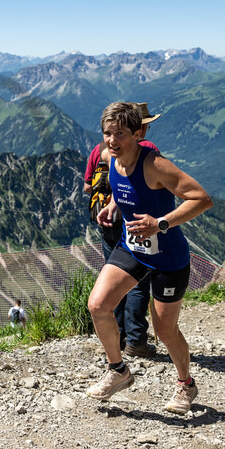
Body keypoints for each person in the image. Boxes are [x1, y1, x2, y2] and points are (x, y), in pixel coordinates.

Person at [86, 102, 212, 414]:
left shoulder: (155, 164)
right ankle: (118, 370)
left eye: (120, 134)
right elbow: (125, 184)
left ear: (139, 133)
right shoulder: (111, 158)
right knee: (98, 305)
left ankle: (186, 385)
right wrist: (114, 204)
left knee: (165, 330)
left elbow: (202, 199)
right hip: (133, 247)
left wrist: (161, 223)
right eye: (107, 134)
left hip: (168, 256)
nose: (112, 141)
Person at [84, 102, 160, 358]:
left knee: (112, 277)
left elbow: (87, 187)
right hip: (136, 221)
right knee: (138, 282)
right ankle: (137, 341)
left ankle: (115, 336)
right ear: (140, 130)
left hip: (106, 222)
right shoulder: (148, 151)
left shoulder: (99, 150)